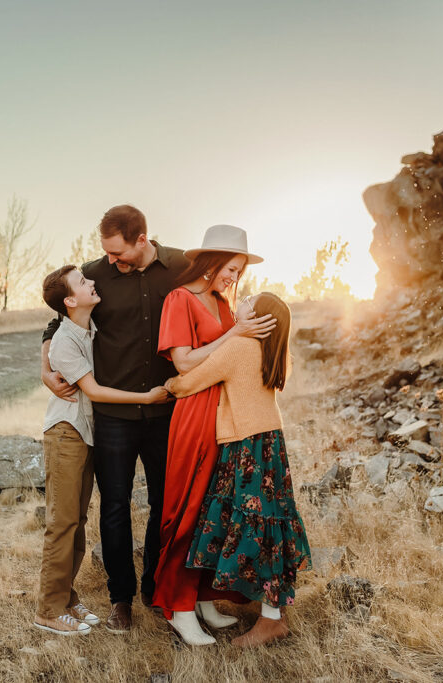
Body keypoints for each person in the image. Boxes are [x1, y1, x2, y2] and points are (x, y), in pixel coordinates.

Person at [152, 224, 276, 646]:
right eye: (230, 268)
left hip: (227, 417)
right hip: (195, 413)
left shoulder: (226, 303)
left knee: (214, 511)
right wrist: (234, 334)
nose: (234, 277)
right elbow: (184, 364)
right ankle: (177, 605)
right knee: (187, 508)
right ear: (211, 261)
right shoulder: (180, 300)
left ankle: (204, 598)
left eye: (239, 271)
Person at [165, 292, 311, 647]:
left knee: (248, 524)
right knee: (271, 525)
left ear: (257, 318)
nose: (240, 303)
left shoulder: (240, 348)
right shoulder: (277, 353)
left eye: (247, 301)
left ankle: (271, 620)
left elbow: (191, 380)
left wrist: (168, 386)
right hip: (271, 444)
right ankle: (269, 613)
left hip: (246, 446)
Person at [35, 264, 171, 636]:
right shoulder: (65, 340)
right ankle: (48, 608)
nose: (92, 282)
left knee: (76, 521)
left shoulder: (85, 327)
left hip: (84, 434)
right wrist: (146, 397)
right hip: (66, 433)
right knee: (62, 522)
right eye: (83, 282)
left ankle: (66, 596)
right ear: (69, 300)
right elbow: (93, 390)